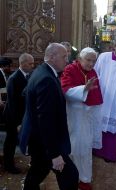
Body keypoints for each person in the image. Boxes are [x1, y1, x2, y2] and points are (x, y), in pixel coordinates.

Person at [20, 43, 79, 190]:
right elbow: (46, 121)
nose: (68, 60)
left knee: (37, 173)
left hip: (39, 141)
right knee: (70, 176)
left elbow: (26, 94)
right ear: (52, 57)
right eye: (64, 56)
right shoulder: (46, 79)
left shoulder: (40, 71)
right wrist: (55, 154)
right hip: (45, 144)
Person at [61, 47, 103, 190]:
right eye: (88, 60)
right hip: (75, 115)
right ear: (80, 58)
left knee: (85, 148)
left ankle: (84, 178)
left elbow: (97, 95)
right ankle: (74, 177)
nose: (91, 64)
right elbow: (66, 91)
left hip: (88, 116)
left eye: (93, 61)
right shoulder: (70, 69)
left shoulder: (92, 72)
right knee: (76, 147)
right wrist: (83, 89)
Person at [3, 53, 34, 174]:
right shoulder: (14, 78)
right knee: (10, 142)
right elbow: (12, 103)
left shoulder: (29, 75)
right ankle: (8, 165)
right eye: (30, 63)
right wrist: (17, 123)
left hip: (24, 115)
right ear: (23, 63)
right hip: (12, 116)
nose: (33, 65)